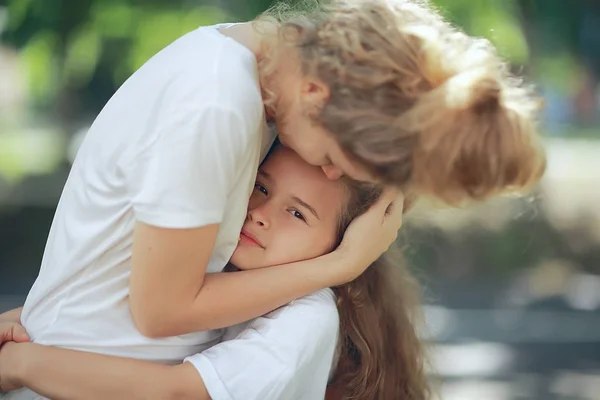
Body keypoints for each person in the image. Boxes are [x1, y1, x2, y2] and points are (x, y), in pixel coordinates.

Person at [1, 0, 545, 395]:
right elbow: (161, 310)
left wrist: (47, 310)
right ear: (317, 94)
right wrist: (342, 264)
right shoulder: (216, 106)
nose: (328, 169)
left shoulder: (248, 96)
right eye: (338, 155)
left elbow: (131, 259)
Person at [0, 145, 428, 400]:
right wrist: (24, 323)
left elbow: (179, 392)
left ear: (342, 244)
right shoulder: (225, 260)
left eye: (297, 213)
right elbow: (117, 310)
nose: (260, 214)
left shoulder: (306, 319)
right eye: (261, 187)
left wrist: (22, 362)